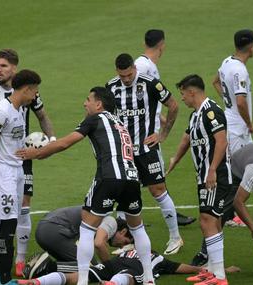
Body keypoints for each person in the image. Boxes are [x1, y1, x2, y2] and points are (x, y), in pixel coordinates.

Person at [16, 86, 155, 285]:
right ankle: (149, 280)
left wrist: (36, 153)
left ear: (98, 104)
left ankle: (82, 281)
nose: (84, 103)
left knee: (88, 230)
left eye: (88, 99)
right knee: (138, 228)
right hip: (132, 179)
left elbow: (65, 143)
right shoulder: (119, 123)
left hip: (108, 178)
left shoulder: (94, 119)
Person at [0, 49, 55, 277]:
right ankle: (3, 277)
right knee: (7, 224)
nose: (35, 96)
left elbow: (16, 142)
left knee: (11, 220)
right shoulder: (1, 113)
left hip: (17, 170)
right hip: (2, 172)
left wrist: (33, 150)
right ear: (27, 88)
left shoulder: (18, 110)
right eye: (35, 91)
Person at [106, 53, 183, 256]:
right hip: (124, 152)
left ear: (134, 68)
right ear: (117, 72)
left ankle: (175, 237)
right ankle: (127, 242)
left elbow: (174, 105)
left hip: (147, 149)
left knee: (158, 190)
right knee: (124, 195)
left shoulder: (151, 84)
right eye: (123, 76)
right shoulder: (111, 87)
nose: (127, 79)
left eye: (129, 74)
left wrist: (162, 134)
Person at [167, 74, 232, 285]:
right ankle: (213, 270)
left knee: (207, 221)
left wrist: (212, 170)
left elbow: (221, 142)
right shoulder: (196, 115)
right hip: (204, 177)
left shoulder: (212, 111)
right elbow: (187, 138)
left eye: (183, 93)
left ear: (192, 91)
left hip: (215, 176)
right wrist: (175, 160)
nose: (182, 98)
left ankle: (219, 277)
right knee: (212, 221)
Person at [132, 29, 196, 227]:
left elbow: (143, 101)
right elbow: (132, 100)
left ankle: (128, 219)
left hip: (145, 131)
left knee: (144, 179)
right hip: (142, 136)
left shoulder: (146, 65)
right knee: (149, 180)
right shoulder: (142, 66)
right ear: (162, 45)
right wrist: (162, 133)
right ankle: (128, 220)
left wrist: (157, 117)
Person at [212, 29, 253, 228]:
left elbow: (215, 82)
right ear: (252, 47)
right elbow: (240, 102)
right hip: (238, 130)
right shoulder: (240, 70)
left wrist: (226, 100)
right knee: (239, 174)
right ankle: (223, 217)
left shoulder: (226, 62)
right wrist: (249, 123)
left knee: (250, 170)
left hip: (235, 128)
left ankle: (229, 215)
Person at [18, 249, 240, 285]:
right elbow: (185, 268)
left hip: (113, 263)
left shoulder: (123, 250)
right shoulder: (157, 258)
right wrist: (216, 270)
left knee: (76, 276)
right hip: (131, 269)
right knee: (132, 278)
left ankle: (36, 282)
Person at [35, 206, 133, 262]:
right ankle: (45, 266)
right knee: (91, 267)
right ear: (123, 231)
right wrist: (109, 268)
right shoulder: (111, 221)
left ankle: (45, 267)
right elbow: (99, 244)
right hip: (54, 230)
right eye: (125, 242)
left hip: (45, 229)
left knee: (73, 264)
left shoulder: (101, 218)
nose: (121, 247)